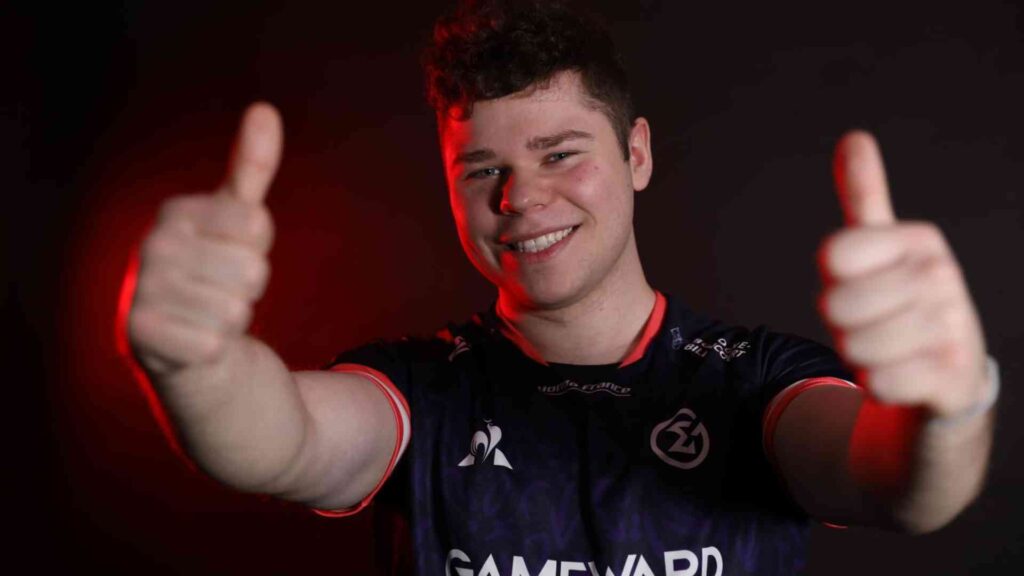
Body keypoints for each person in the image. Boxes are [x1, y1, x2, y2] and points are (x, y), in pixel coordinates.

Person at [123, 1, 998, 574]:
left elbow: (896, 482)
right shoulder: (418, 390)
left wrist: (949, 408)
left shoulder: (755, 381)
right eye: (482, 170)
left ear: (637, 154)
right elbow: (283, 441)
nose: (519, 197)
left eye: (560, 154)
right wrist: (194, 365)